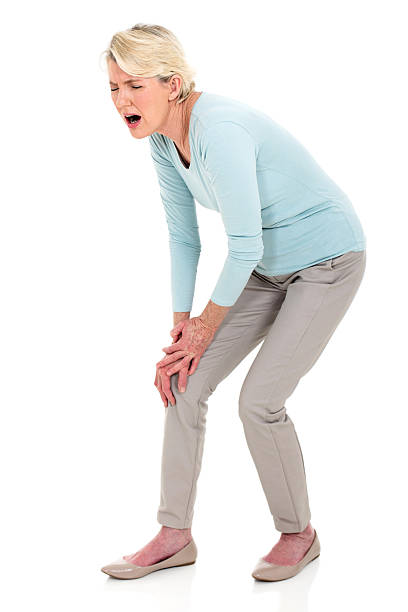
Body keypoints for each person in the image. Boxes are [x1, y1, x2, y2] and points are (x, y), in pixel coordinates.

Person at [100, 23, 366, 581]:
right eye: (113, 88)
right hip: (266, 268)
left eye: (134, 85)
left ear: (173, 84)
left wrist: (204, 328)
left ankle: (299, 533)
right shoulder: (161, 139)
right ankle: (174, 535)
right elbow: (183, 236)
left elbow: (241, 242)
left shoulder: (216, 129)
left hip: (326, 262)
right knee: (183, 381)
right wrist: (181, 331)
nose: (122, 99)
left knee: (258, 402)